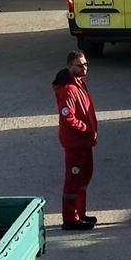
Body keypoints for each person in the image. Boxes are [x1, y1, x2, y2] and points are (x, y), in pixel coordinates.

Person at [53, 50, 98, 231]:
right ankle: (70, 219)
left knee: (84, 177)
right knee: (73, 180)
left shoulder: (79, 83)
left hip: (84, 142)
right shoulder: (69, 90)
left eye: (86, 64)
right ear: (70, 66)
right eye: (80, 65)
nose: (84, 68)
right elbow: (68, 118)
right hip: (76, 143)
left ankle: (80, 213)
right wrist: (86, 128)